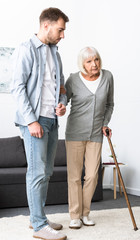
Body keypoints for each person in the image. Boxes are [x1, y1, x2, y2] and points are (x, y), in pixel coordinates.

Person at [11, 7, 69, 240]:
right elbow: (17, 87)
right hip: (34, 121)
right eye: (60, 29)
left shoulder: (56, 54)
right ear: (46, 25)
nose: (63, 35)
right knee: (36, 173)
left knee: (45, 172)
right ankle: (38, 226)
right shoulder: (26, 50)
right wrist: (31, 121)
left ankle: (39, 217)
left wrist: (62, 103)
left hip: (52, 120)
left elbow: (61, 86)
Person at [65, 46, 114, 229]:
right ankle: (75, 215)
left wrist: (105, 122)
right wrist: (60, 105)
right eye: (89, 61)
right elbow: (64, 100)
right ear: (82, 64)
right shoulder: (72, 80)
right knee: (75, 177)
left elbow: (110, 104)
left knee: (92, 175)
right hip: (75, 133)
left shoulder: (107, 77)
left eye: (96, 59)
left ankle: (85, 213)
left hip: (96, 133)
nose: (94, 64)